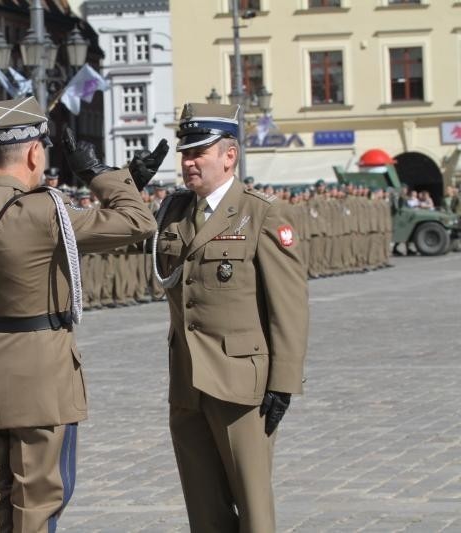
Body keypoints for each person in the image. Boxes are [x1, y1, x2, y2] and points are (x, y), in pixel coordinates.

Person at [0, 96, 161, 531]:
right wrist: (102, 176)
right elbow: (138, 221)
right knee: (39, 504)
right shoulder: (46, 213)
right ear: (34, 152)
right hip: (43, 382)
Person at [152, 103, 309, 532]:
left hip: (241, 386)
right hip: (187, 383)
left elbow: (288, 306)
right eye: (185, 153)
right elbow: (125, 228)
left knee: (254, 511)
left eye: (198, 152)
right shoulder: (173, 212)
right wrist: (124, 178)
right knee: (204, 512)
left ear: (229, 155)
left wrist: (283, 383)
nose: (188, 162)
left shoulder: (261, 212)